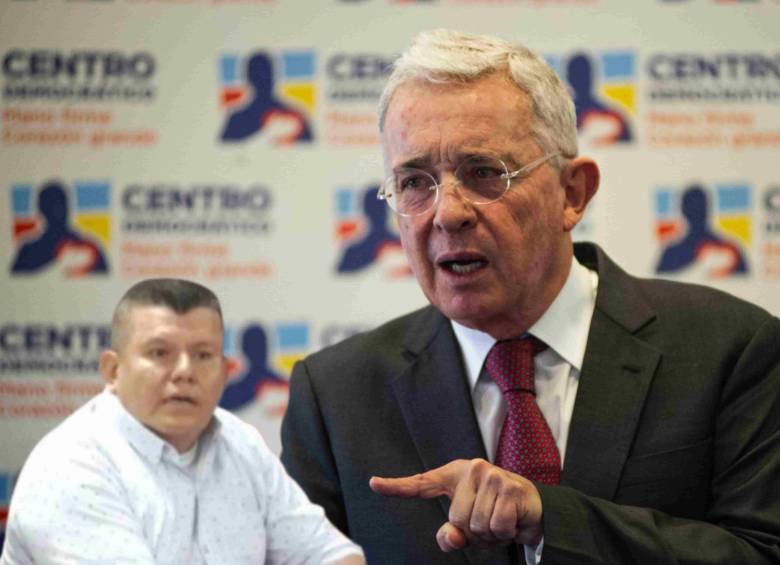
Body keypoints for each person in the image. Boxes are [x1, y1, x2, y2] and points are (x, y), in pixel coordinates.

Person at [280, 29, 780, 564]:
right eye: (415, 182)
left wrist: (550, 519)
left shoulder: (732, 350)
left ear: (572, 193)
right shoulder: (335, 396)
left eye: (484, 173)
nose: (447, 213)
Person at [1, 279, 364, 565]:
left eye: (203, 355)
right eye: (160, 353)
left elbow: (327, 554)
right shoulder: (70, 468)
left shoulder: (241, 443)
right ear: (113, 370)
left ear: (224, 372)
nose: (184, 372)